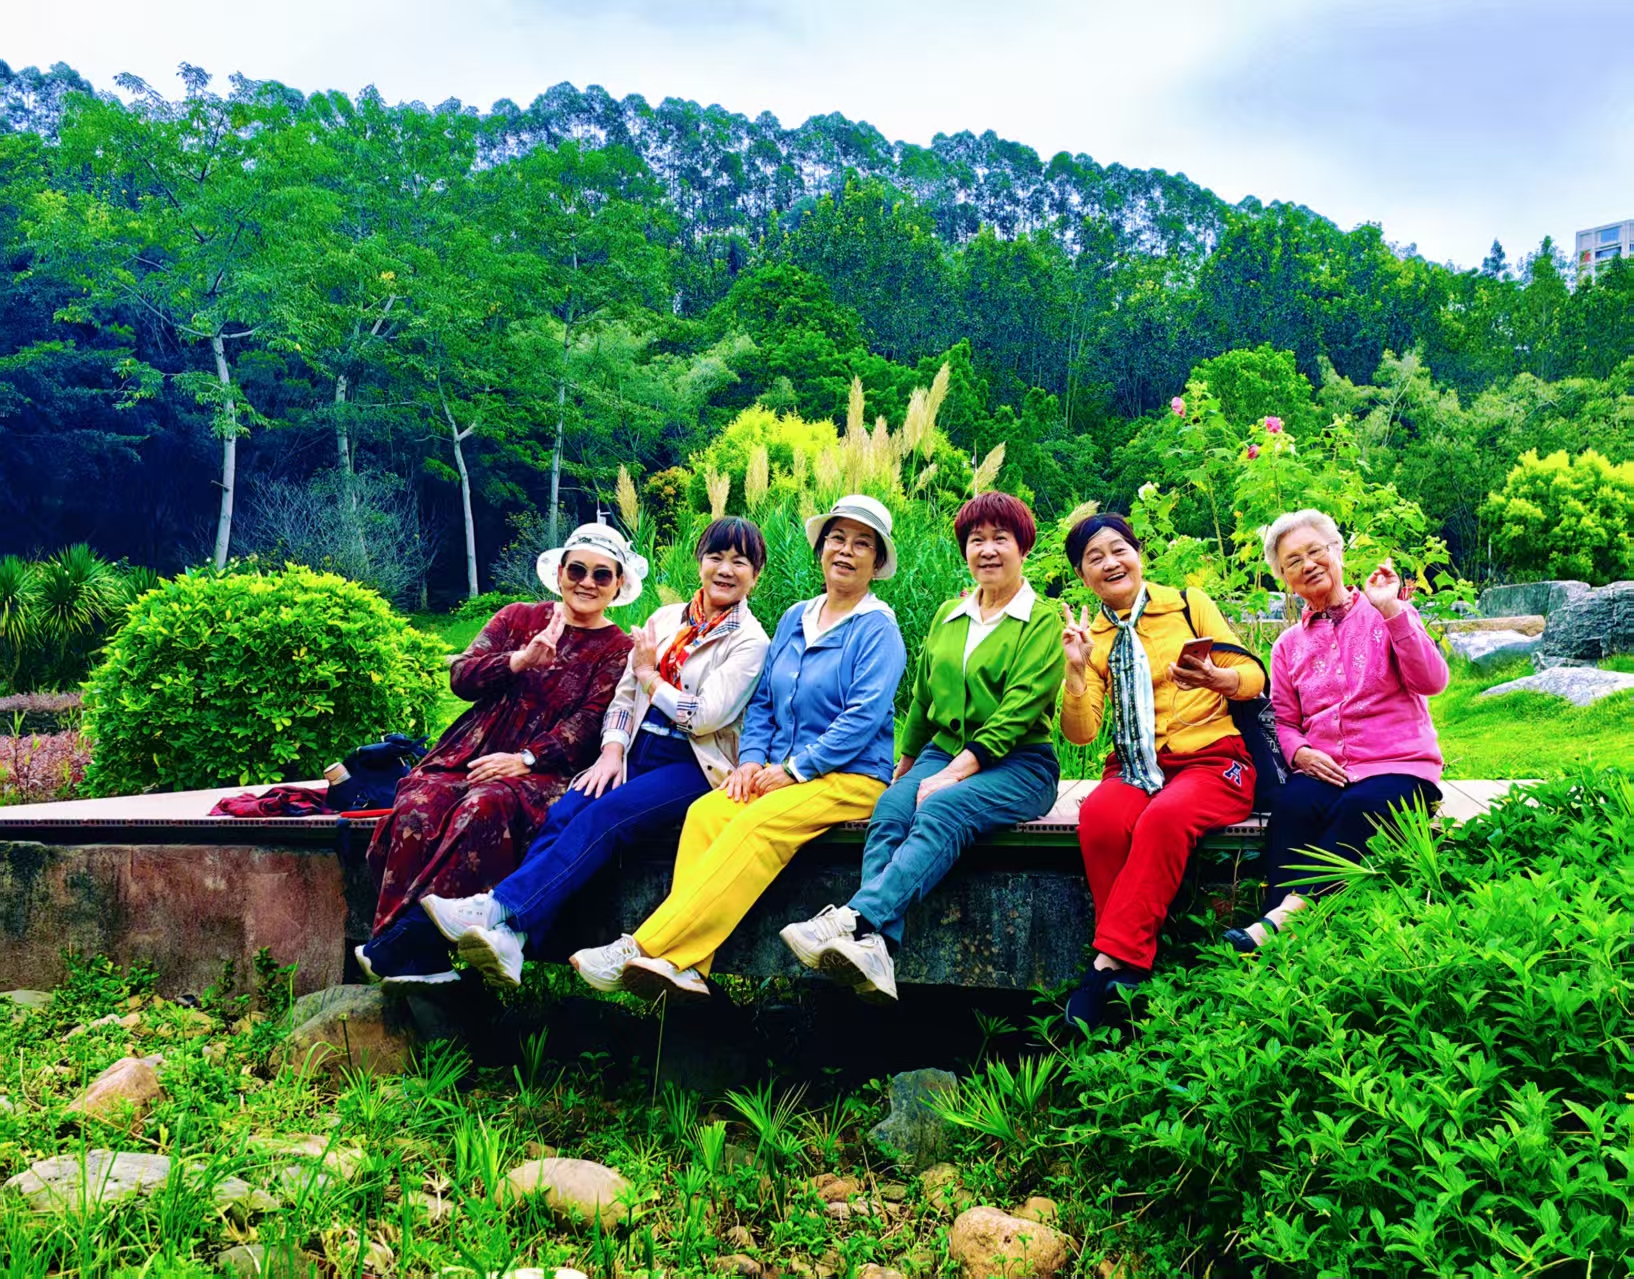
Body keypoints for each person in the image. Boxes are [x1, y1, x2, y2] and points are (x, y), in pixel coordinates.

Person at [388, 519, 772, 987]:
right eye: (716, 557)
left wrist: (651, 676)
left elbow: (703, 716)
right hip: (636, 746)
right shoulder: (666, 620)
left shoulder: (750, 641)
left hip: (691, 763)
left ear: (756, 575)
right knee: (566, 812)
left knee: (605, 817)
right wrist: (611, 752)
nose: (726, 569)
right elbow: (625, 697)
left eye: (740, 562)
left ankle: (499, 908)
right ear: (700, 562)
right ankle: (512, 940)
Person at [566, 494, 908, 1000]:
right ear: (821, 549)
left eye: (862, 544)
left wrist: (794, 769)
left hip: (850, 777)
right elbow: (764, 702)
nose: (845, 551)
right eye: (836, 538)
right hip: (782, 772)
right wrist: (749, 763)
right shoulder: (796, 617)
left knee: (755, 823)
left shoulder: (879, 628)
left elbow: (863, 719)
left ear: (876, 563)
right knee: (708, 812)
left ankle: (642, 946)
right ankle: (691, 968)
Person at [777, 493, 1064, 1001]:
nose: (988, 550)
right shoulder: (950, 614)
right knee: (891, 808)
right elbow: (923, 696)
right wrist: (908, 764)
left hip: (1020, 765)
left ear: (1023, 548)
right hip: (943, 751)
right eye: (976, 540)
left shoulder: (1041, 620)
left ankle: (854, 919)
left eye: (1001, 539)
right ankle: (876, 950)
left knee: (941, 809)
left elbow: (1018, 711)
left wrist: (952, 774)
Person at [356, 524, 640, 984]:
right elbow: (461, 676)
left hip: (547, 771)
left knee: (483, 806)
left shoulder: (618, 649)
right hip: (471, 752)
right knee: (418, 805)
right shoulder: (516, 618)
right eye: (577, 570)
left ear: (618, 584)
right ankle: (418, 960)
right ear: (560, 573)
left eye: (601, 575)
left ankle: (400, 949)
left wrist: (526, 759)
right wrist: (519, 661)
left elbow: (590, 722)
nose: (587, 583)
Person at [1059, 513, 1265, 1030]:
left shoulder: (1189, 605)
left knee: (1163, 819)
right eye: (1095, 558)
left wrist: (1216, 677)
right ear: (1083, 576)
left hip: (1212, 758)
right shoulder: (1093, 637)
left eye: (1119, 549)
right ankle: (1127, 970)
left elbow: (1252, 676)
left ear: (1138, 554)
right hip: (1135, 764)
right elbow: (1082, 733)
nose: (1111, 563)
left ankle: (1108, 966)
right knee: (1101, 818)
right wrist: (1076, 671)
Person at [1224, 509, 1449, 952]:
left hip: (1398, 766)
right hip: (1326, 769)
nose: (1308, 565)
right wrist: (1300, 753)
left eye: (1315, 551)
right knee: (1292, 806)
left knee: (1360, 805)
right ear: (1284, 579)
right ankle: (1280, 936)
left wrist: (1391, 609)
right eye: (1293, 561)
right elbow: (1285, 721)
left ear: (1337, 551)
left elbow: (1432, 681)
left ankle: (1283, 920)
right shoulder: (1287, 646)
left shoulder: (1388, 615)